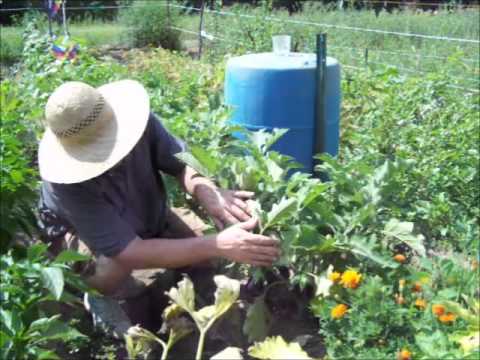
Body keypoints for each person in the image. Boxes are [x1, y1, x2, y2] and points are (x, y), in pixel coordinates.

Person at [37, 80, 280, 334]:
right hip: (92, 239)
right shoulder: (65, 184)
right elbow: (127, 251)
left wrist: (207, 191)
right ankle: (96, 295)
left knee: (206, 247)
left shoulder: (136, 123)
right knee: (113, 271)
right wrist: (219, 244)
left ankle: (200, 288)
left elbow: (181, 163)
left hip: (146, 213)